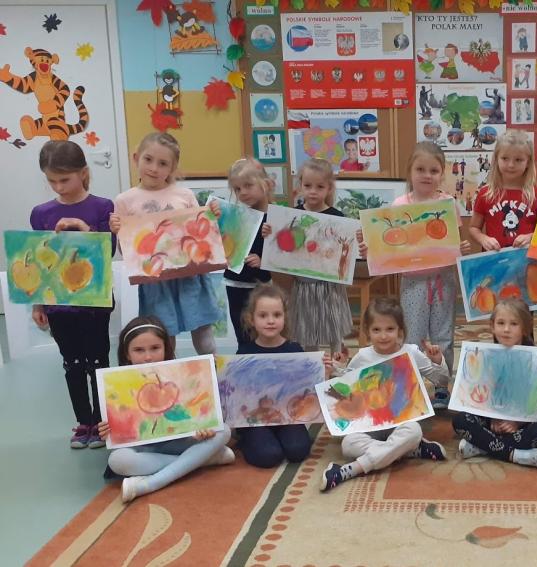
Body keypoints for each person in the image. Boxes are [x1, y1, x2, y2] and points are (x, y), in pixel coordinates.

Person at [30, 140, 115, 449]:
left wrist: (83, 228)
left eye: (64, 179)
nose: (58, 187)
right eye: (51, 180)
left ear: (83, 173)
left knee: (98, 361)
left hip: (94, 302)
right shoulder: (41, 213)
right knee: (72, 363)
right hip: (59, 305)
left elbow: (109, 251)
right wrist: (38, 304)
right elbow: (38, 261)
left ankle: (102, 422)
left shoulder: (102, 207)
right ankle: (84, 423)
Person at [96, 317, 233, 503]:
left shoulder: (183, 375)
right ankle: (204, 459)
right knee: (117, 460)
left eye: (155, 348)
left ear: (165, 348)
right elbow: (121, 435)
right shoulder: (114, 384)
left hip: (181, 442)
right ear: (127, 353)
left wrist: (201, 431)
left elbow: (194, 421)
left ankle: (151, 483)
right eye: (139, 350)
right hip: (144, 448)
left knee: (224, 430)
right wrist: (107, 430)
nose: (148, 356)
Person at [320, 297, 449, 492]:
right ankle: (408, 449)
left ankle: (350, 470)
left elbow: (442, 380)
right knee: (348, 444)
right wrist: (335, 370)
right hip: (369, 424)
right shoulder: (363, 356)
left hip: (402, 422)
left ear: (400, 331)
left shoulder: (411, 352)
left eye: (390, 329)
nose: (383, 336)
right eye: (376, 330)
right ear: (367, 332)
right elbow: (346, 386)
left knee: (414, 431)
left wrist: (437, 360)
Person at [110, 132, 220, 356]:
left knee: (204, 338)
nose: (154, 168)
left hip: (190, 277)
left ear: (172, 167)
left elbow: (200, 237)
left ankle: (216, 373)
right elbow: (127, 253)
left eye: (163, 163)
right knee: (164, 338)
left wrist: (212, 218)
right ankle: (170, 375)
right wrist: (119, 232)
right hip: (156, 282)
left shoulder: (184, 194)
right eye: (148, 159)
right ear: (136, 158)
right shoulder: (125, 200)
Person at [392, 142, 470, 408]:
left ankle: (441, 386)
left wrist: (461, 248)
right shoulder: (399, 205)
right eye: (420, 169)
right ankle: (411, 384)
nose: (427, 175)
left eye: (434, 170)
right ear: (410, 171)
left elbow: (455, 240)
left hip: (443, 279)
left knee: (443, 334)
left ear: (442, 173)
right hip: (412, 281)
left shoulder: (447, 204)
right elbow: (390, 245)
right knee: (412, 336)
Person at [235, 283, 334, 468]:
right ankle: (248, 440)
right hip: (256, 420)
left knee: (298, 450)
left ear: (285, 317)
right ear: (251, 319)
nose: (270, 321)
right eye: (263, 315)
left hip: (288, 417)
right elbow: (237, 393)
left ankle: (277, 438)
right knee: (268, 456)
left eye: (277, 315)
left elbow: (309, 391)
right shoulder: (244, 353)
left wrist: (324, 373)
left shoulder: (294, 350)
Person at [452, 298, 537, 469]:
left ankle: (482, 447)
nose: (506, 329)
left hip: (522, 423)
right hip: (491, 420)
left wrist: (517, 423)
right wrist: (492, 416)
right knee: (460, 420)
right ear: (492, 326)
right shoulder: (485, 357)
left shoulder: (536, 361)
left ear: (525, 328)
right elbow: (479, 396)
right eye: (500, 323)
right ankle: (517, 455)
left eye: (514, 324)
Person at [282, 158, 353, 355]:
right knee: (307, 332)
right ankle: (312, 366)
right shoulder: (293, 216)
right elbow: (286, 246)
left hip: (330, 285)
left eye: (320, 186)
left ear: (329, 188)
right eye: (308, 186)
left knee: (334, 330)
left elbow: (344, 248)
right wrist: (271, 233)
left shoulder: (337, 216)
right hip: (303, 284)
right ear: (300, 186)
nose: (313, 191)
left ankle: (336, 364)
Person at [222, 158, 273, 348]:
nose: (242, 192)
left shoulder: (277, 218)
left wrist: (264, 261)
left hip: (262, 287)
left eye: (248, 185)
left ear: (267, 185)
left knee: (265, 334)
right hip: (235, 284)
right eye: (237, 189)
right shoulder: (237, 218)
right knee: (243, 336)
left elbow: (284, 257)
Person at [469, 129, 537, 251]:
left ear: (528, 162)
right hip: (494, 259)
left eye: (518, 160)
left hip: (526, 259)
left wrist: (531, 237)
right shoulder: (485, 193)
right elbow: (473, 228)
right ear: (496, 159)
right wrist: (483, 239)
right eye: (505, 158)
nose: (511, 165)